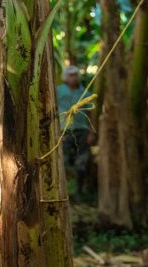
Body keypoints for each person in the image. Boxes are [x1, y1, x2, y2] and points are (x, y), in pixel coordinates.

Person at [56, 64, 93, 199]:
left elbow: (91, 113)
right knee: (62, 161)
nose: (73, 77)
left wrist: (92, 132)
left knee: (81, 162)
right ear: (65, 77)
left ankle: (79, 192)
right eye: (71, 75)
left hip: (82, 130)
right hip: (64, 130)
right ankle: (63, 192)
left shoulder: (85, 93)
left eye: (75, 75)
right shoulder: (58, 90)